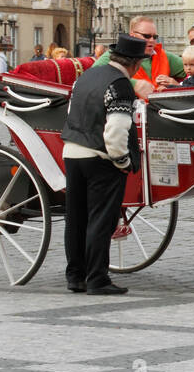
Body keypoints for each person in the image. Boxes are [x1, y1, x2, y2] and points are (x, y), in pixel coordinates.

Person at [60, 32, 144, 295]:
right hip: (100, 157)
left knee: (76, 217)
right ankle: (97, 278)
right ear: (135, 63)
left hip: (72, 153)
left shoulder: (85, 77)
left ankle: (75, 275)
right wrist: (121, 160)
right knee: (101, 220)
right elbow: (117, 129)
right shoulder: (120, 84)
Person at [96, 15, 184, 99]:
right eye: (147, 36)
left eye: (155, 37)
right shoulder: (115, 54)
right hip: (128, 109)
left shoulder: (164, 55)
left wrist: (177, 85)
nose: (152, 40)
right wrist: (134, 84)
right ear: (132, 35)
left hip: (161, 111)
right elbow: (95, 76)